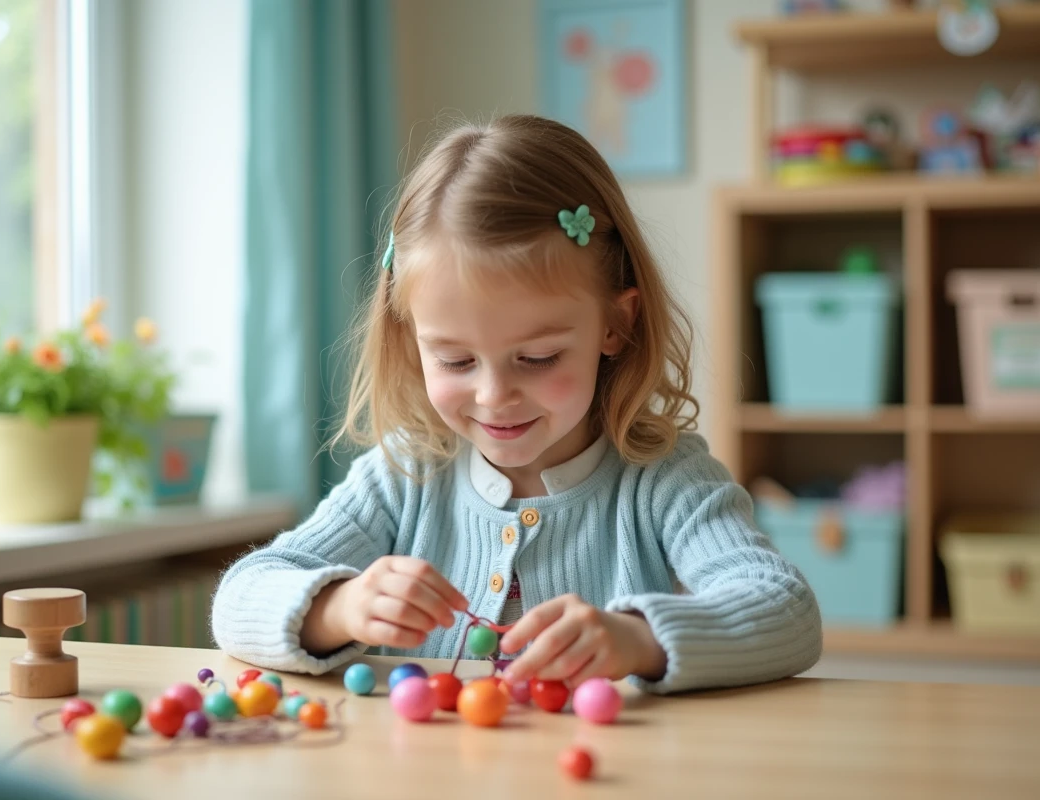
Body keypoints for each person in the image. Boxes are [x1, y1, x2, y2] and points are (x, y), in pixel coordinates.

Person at [212, 114, 821, 693]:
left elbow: (785, 611)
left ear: (614, 324)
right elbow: (241, 597)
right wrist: (340, 607)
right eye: (454, 361)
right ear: (409, 336)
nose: (493, 396)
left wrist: (636, 640)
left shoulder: (663, 479)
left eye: (537, 358)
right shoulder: (405, 475)